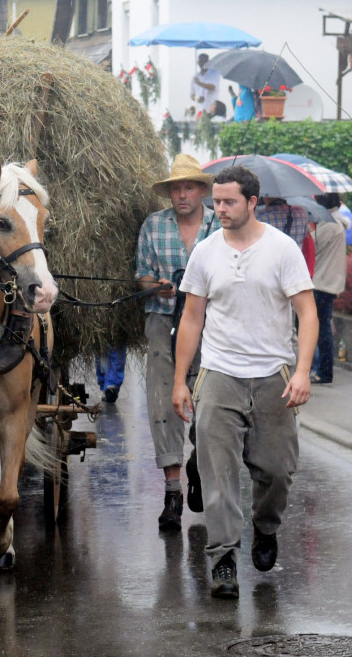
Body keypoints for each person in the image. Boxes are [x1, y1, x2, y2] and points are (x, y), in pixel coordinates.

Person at [172, 165, 317, 600]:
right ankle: (223, 558)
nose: (220, 209)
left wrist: (304, 371)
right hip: (219, 375)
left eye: (229, 201)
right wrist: (180, 380)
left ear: (253, 202)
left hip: (273, 376)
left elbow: (307, 313)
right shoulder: (206, 252)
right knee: (219, 472)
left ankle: (265, 527)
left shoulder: (282, 250)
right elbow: (191, 317)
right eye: (216, 201)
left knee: (276, 471)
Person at [135, 154, 219, 531]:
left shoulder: (219, 225)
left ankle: (200, 462)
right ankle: (172, 492)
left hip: (212, 325)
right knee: (163, 398)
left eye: (189, 187)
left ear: (201, 190)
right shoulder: (153, 226)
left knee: (211, 398)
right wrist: (161, 288)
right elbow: (142, 277)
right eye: (176, 189)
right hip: (162, 321)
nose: (182, 194)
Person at [310, 194, 347, 385]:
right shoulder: (336, 223)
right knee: (321, 326)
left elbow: (312, 246)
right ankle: (321, 369)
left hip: (322, 283)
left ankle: (323, 371)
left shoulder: (330, 225)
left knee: (318, 328)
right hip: (328, 283)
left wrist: (310, 230)